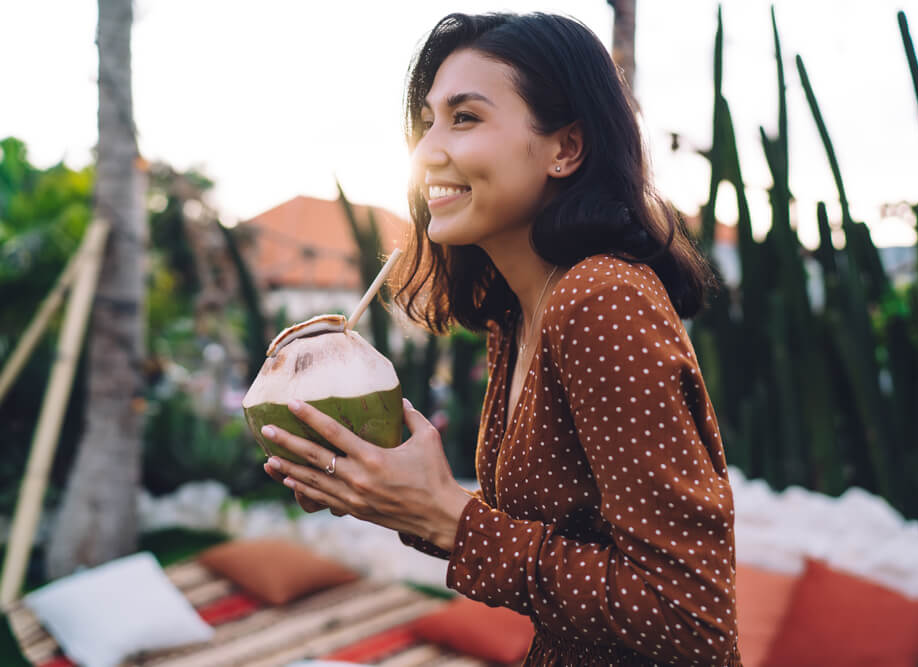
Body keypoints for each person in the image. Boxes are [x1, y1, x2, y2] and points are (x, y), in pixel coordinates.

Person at [261, 11, 741, 666]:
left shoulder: (601, 301)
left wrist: (449, 518)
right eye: (428, 120)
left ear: (565, 148)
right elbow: (550, 538)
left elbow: (688, 616)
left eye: (465, 117)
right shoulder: (515, 315)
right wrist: (396, 499)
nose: (428, 149)